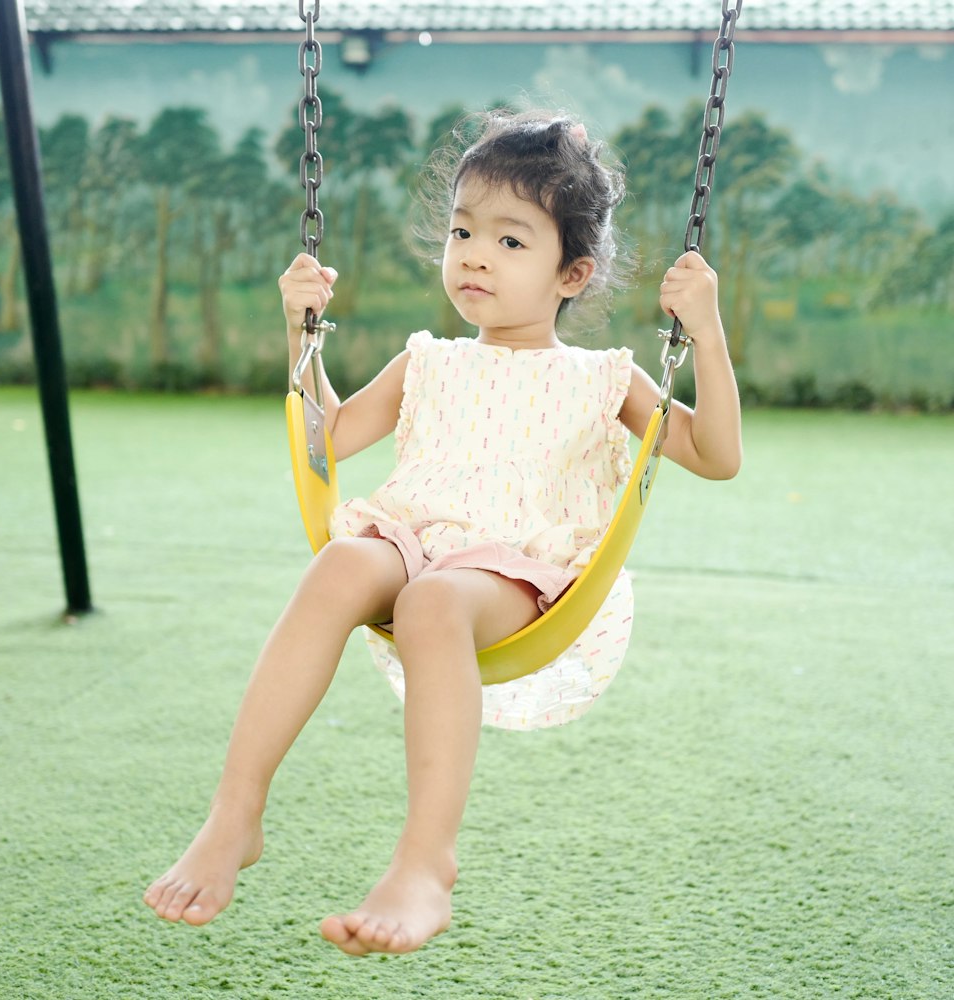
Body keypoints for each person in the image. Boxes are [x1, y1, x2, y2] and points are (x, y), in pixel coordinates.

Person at [143, 111, 742, 955]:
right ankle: (235, 813)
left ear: (573, 272)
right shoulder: (429, 361)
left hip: (515, 575)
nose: (474, 255)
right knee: (341, 566)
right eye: (463, 230)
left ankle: (426, 861)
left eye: (510, 241)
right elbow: (327, 439)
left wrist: (705, 333)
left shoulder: (606, 380)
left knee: (430, 605)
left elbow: (716, 456)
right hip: (414, 539)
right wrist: (299, 332)